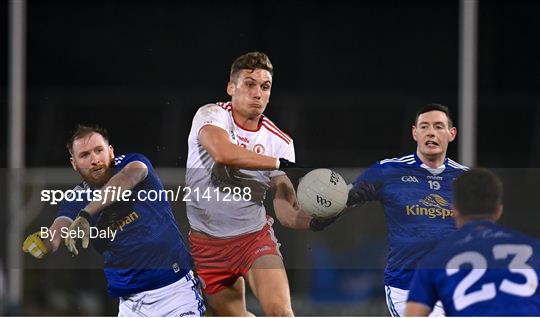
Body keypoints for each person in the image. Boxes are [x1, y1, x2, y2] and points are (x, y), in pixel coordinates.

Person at [185, 51, 324, 316]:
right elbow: (223, 152)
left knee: (281, 312)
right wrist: (277, 163)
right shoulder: (211, 115)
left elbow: (285, 211)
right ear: (231, 87)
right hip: (207, 245)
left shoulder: (281, 142)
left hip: (252, 238)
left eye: (265, 86)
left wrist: (315, 220)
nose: (258, 93)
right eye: (249, 84)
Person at [22, 125, 205, 317]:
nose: (95, 160)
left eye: (99, 150)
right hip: (130, 306)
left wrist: (86, 214)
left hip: (175, 294)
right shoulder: (75, 199)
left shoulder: (134, 164)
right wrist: (44, 242)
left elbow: (125, 180)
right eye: (84, 155)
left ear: (111, 151)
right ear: (74, 163)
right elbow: (58, 230)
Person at [320, 104, 467, 316]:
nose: (431, 132)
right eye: (424, 126)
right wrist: (330, 208)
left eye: (438, 127)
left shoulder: (466, 179)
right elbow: (347, 196)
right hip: (407, 288)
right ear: (414, 133)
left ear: (451, 134)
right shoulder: (388, 170)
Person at [405, 168, 540, 316]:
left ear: (454, 210)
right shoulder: (534, 248)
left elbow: (413, 314)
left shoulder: (435, 258)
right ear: (498, 210)